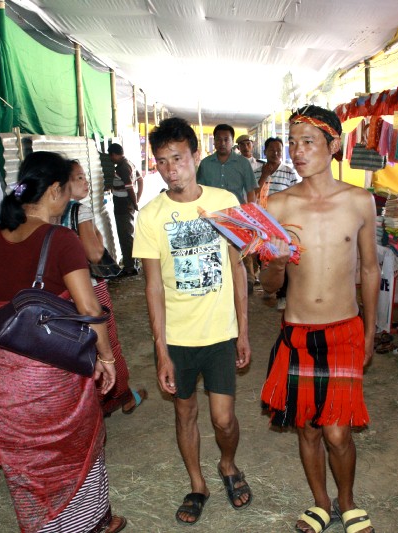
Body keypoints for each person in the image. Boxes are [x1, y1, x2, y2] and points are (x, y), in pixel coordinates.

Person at [0, 151, 127, 533]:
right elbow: (89, 308)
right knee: (73, 449)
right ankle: (84, 524)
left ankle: (44, 525)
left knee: (27, 458)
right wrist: (107, 358)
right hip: (52, 373)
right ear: (55, 190)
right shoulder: (61, 239)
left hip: (5, 378)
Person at [259, 105, 380, 533]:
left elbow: (370, 270)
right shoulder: (277, 204)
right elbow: (269, 285)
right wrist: (275, 262)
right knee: (308, 430)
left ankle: (347, 502)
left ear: (334, 145)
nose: (297, 151)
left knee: (337, 433)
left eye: (308, 142)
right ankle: (321, 503)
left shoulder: (360, 201)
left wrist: (371, 331)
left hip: (345, 330)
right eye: (292, 142)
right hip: (297, 333)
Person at [133, 117, 252, 526]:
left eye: (178, 159)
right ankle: (197, 484)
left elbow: (237, 268)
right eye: (162, 162)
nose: (171, 170)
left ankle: (227, 463)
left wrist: (243, 330)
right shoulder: (150, 216)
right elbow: (153, 287)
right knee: (184, 413)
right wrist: (161, 350)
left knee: (223, 418)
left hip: (220, 333)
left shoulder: (225, 202)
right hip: (177, 337)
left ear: (195, 156)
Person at [62, 160, 147, 416]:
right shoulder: (79, 210)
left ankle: (93, 403)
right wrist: (98, 238)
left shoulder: (48, 213)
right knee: (107, 342)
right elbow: (94, 252)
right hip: (88, 286)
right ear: (63, 183)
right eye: (79, 177)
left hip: (63, 292)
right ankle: (121, 395)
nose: (86, 181)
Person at [197, 124, 259, 292]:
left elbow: (251, 190)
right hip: (212, 216)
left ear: (232, 142)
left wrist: (251, 215)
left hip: (237, 215)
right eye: (218, 139)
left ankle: (248, 280)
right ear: (214, 142)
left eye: (226, 139)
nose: (222, 143)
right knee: (215, 249)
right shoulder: (205, 164)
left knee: (240, 250)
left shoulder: (242, 163)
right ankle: (216, 282)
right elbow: (199, 190)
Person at [255, 136, 300, 310]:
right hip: (262, 224)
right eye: (272, 150)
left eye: (279, 151)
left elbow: (296, 196)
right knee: (263, 256)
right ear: (265, 151)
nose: (275, 153)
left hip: (284, 224)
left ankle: (282, 295)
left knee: (283, 256)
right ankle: (269, 286)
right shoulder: (257, 172)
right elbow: (253, 195)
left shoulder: (289, 172)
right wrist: (264, 175)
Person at [108, 143, 142, 276]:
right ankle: (133, 263)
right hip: (127, 204)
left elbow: (129, 187)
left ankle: (129, 266)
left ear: (114, 154)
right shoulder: (129, 164)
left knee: (125, 235)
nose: (111, 159)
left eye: (111, 156)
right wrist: (136, 199)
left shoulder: (122, 167)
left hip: (123, 205)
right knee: (128, 234)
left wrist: (135, 202)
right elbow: (140, 180)